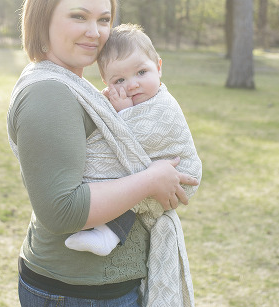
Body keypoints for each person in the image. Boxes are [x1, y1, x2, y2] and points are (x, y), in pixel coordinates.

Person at [7, 0, 202, 307]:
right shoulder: (48, 93)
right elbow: (62, 209)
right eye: (78, 17)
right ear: (43, 19)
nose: (95, 32)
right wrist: (151, 179)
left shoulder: (69, 83)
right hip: (82, 295)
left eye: (104, 18)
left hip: (92, 290)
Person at [64, 23, 202, 257]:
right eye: (119, 80)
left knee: (131, 193)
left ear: (158, 67)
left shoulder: (163, 104)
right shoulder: (114, 99)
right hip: (152, 173)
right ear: (106, 83)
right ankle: (100, 226)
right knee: (124, 187)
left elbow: (134, 135)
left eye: (141, 73)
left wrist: (124, 113)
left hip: (180, 173)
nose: (132, 84)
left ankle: (107, 235)